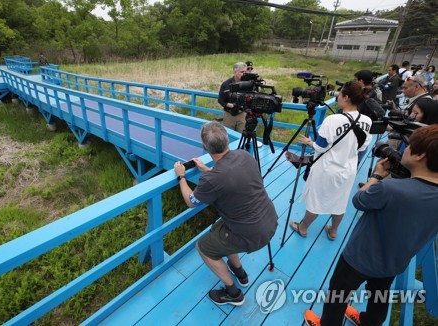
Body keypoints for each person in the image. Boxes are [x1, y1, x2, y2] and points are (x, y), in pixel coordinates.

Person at [304, 124, 438, 326]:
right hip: (395, 262)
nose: (404, 150)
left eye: (408, 147)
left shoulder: (391, 188)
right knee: (379, 297)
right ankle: (368, 322)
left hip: (359, 258)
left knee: (338, 295)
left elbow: (359, 200)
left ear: (420, 156)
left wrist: (376, 176)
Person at [173, 122, 278, 306]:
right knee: (218, 228)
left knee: (203, 247)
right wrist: (206, 170)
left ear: (204, 146)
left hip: (251, 234)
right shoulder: (244, 155)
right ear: (227, 140)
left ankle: (233, 293)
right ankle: (240, 273)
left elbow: (191, 201)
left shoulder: (212, 180)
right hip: (269, 219)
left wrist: (181, 176)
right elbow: (229, 175)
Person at [289, 81, 372, 240]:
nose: (337, 97)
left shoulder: (333, 120)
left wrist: (309, 142)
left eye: (340, 94)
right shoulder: (366, 121)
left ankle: (303, 228)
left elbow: (321, 146)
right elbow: (363, 147)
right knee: (340, 201)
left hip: (328, 168)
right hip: (348, 169)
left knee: (317, 200)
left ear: (346, 97)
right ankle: (333, 232)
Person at [218, 62, 248, 133]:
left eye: (245, 72)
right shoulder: (226, 84)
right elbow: (220, 99)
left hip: (242, 114)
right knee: (229, 137)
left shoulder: (247, 84)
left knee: (241, 137)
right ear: (235, 72)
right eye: (242, 72)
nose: (244, 74)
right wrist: (228, 105)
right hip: (229, 114)